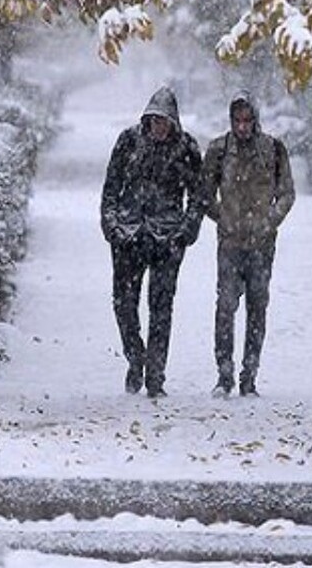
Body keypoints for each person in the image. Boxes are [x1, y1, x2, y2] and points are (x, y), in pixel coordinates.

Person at [100, 85, 204, 398]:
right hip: (128, 237)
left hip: (167, 238)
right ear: (147, 120)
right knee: (124, 305)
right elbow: (111, 188)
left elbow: (198, 195)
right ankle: (136, 357)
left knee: (161, 308)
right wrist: (112, 226)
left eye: (164, 122)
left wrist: (186, 231)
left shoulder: (186, 147)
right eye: (154, 121)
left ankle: (156, 375)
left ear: (173, 122)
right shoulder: (128, 141)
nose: (159, 127)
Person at [201, 91, 295, 397]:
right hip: (230, 243)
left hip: (261, 244)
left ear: (255, 120)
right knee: (225, 307)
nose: (242, 127)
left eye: (247, 120)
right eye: (237, 120)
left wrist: (269, 221)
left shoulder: (272, 150)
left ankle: (250, 374)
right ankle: (224, 374)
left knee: (257, 309)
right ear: (230, 120)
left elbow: (286, 193)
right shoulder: (219, 150)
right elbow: (204, 193)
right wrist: (224, 218)